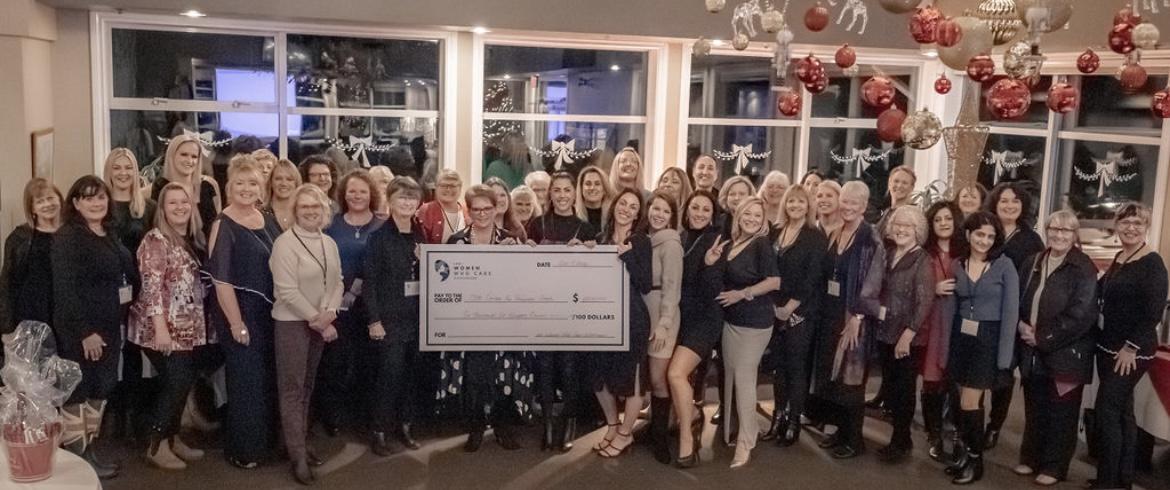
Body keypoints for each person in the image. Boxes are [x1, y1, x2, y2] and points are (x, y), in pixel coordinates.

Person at [53, 175, 140, 479]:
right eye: (88, 198)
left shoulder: (108, 233)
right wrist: (84, 332)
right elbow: (65, 290)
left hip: (109, 327)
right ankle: (79, 462)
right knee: (80, 392)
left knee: (101, 390)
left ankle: (90, 452)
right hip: (82, 331)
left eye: (101, 197)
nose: (97, 203)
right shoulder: (67, 237)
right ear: (76, 203)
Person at [439, 185, 534, 452]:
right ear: (468, 211)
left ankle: (503, 427)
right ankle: (476, 427)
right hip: (468, 322)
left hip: (503, 320)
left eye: (487, 209)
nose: (482, 214)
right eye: (476, 209)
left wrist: (516, 255)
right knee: (474, 376)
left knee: (503, 374)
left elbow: (523, 282)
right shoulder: (456, 241)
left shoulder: (510, 239)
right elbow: (442, 282)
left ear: (496, 209)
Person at [207, 156, 284, 469]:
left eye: (253, 182)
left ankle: (265, 445)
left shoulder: (265, 217)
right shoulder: (223, 225)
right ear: (229, 187)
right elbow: (221, 280)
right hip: (240, 314)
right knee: (246, 384)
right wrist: (237, 323)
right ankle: (243, 451)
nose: (246, 188)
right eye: (240, 183)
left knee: (265, 380)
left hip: (269, 313)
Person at [127, 182, 208, 470]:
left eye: (184, 202)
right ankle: (156, 445)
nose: (179, 207)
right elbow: (151, 287)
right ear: (162, 208)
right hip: (161, 329)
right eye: (172, 203)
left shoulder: (188, 238)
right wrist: (161, 329)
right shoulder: (156, 240)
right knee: (175, 384)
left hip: (187, 328)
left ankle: (172, 439)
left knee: (182, 382)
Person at [1014, 210, 1097, 486]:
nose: (1059, 235)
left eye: (1067, 231)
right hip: (1033, 350)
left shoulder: (1084, 267)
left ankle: (1054, 466)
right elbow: (1019, 299)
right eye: (1055, 229)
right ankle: (1031, 458)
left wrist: (1043, 337)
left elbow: (1081, 315)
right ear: (1047, 231)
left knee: (1061, 413)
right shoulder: (1033, 261)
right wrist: (1021, 325)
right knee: (1035, 407)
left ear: (1075, 236)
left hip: (1067, 355)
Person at [1092, 203, 1168, 490]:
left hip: (1131, 351)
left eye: (1137, 223)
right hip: (1108, 345)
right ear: (1116, 224)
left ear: (1146, 226)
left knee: (1107, 411)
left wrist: (1131, 347)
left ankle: (1107, 482)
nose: (1131, 228)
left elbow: (1153, 312)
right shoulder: (1120, 256)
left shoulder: (1153, 263)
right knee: (1123, 414)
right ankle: (1121, 479)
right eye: (1125, 222)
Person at [270, 184, 343, 485]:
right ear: (295, 211)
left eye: (316, 206)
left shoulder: (328, 242)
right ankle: (297, 455)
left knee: (308, 386)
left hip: (320, 321)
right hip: (292, 322)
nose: (311, 211)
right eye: (304, 207)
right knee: (292, 389)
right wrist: (318, 320)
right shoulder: (285, 244)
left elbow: (337, 281)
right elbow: (286, 291)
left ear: (324, 210)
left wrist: (330, 312)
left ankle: (298, 441)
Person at [941, 211, 1019, 485]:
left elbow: (1011, 313)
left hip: (989, 338)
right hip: (962, 337)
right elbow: (950, 306)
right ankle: (964, 452)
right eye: (979, 234)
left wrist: (1005, 358)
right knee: (960, 400)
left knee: (969, 402)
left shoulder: (1004, 266)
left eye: (990, 236)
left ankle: (976, 459)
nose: (984, 240)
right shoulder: (958, 264)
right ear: (968, 235)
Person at [703, 196, 780, 468]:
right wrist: (711, 261)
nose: (752, 219)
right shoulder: (732, 243)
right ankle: (736, 433)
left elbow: (774, 281)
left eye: (758, 216)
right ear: (739, 215)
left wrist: (742, 294)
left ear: (763, 221)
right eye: (748, 214)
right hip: (730, 321)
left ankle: (747, 441)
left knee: (744, 380)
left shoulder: (761, 244)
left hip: (755, 323)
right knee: (731, 377)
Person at [525, 172, 596, 452]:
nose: (563, 195)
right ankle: (547, 425)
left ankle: (568, 424)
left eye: (567, 190)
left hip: (572, 308)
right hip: (542, 306)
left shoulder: (585, 228)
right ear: (550, 194)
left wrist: (590, 252)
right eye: (557, 190)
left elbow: (594, 273)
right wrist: (526, 249)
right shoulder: (537, 224)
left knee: (568, 368)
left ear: (574, 194)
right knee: (544, 367)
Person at [813, 181, 884, 460]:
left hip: (855, 317)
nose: (848, 206)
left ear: (864, 206)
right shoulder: (837, 232)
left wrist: (858, 316)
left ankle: (855, 440)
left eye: (855, 202)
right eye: (845, 201)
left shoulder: (870, 239)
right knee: (834, 378)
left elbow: (873, 282)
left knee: (851, 381)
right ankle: (840, 432)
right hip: (831, 314)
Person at [316, 170, 385, 436]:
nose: (357, 196)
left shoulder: (383, 224)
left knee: (369, 363)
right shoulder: (331, 225)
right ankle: (332, 415)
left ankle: (364, 416)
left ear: (372, 195)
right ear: (344, 194)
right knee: (335, 362)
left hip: (371, 307)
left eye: (363, 191)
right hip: (337, 305)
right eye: (352, 191)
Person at [761, 185, 827, 447]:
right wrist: (775, 305)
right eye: (791, 201)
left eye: (801, 202)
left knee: (796, 368)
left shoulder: (815, 236)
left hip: (801, 311)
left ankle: (794, 421)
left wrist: (791, 306)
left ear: (808, 206)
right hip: (774, 308)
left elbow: (813, 277)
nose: (796, 206)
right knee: (779, 368)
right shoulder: (775, 232)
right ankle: (777, 418)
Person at [364, 177, 426, 456]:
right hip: (389, 320)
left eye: (412, 198)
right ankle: (379, 431)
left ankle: (406, 426)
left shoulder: (420, 234)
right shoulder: (378, 237)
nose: (407, 203)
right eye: (402, 197)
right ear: (390, 201)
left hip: (418, 318)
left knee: (412, 376)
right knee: (389, 376)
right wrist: (374, 320)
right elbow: (370, 282)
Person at [590, 188, 653, 459]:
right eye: (623, 203)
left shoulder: (640, 241)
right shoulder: (599, 238)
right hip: (602, 318)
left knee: (633, 382)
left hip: (633, 318)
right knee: (599, 378)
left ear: (638, 214)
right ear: (614, 205)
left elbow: (646, 283)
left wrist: (626, 256)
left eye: (633, 206)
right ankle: (613, 425)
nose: (626, 209)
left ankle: (626, 434)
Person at [983, 182, 1043, 450]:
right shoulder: (984, 229)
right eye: (1004, 200)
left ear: (1023, 205)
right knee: (976, 367)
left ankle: (994, 426)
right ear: (995, 203)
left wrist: (1022, 318)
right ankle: (965, 417)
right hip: (983, 312)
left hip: (1014, 315)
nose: (1009, 205)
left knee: (1003, 372)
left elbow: (1034, 282)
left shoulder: (1032, 239)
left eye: (1015, 201)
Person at [103, 148, 158, 440]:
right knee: (111, 351)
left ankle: (136, 417)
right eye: (117, 168)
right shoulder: (101, 205)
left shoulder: (146, 207)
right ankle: (112, 415)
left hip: (139, 288)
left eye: (128, 168)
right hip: (107, 290)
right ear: (109, 171)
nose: (123, 173)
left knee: (134, 352)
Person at [872, 205, 933, 463]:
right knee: (890, 386)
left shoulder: (922, 260)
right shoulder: (888, 252)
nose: (901, 230)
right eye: (897, 225)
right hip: (885, 331)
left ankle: (901, 441)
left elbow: (925, 301)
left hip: (907, 337)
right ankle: (898, 438)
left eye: (907, 226)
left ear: (917, 231)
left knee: (903, 391)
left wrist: (908, 334)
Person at [666, 190, 722, 467]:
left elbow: (713, 289)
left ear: (713, 215)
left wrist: (710, 264)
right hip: (680, 318)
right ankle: (692, 416)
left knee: (676, 373)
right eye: (695, 207)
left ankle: (687, 437)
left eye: (706, 210)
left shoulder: (716, 240)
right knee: (675, 376)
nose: (700, 213)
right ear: (687, 210)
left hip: (704, 320)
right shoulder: (681, 236)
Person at [921, 201, 965, 462]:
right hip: (933, 323)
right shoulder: (925, 253)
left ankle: (959, 434)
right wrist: (933, 289)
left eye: (948, 218)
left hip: (959, 324)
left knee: (957, 383)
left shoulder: (968, 250)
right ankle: (934, 435)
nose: (944, 223)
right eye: (938, 219)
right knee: (932, 382)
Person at [643, 191, 684, 464]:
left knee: (658, 378)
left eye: (665, 211)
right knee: (648, 377)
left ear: (672, 217)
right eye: (655, 209)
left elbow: (672, 288)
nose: (658, 214)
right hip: (643, 313)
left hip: (661, 316)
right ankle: (652, 429)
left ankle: (661, 437)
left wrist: (664, 324)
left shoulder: (671, 244)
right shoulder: (645, 241)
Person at [0, 179, 62, 340]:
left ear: (59, 199)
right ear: (32, 208)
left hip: (64, 316)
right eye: (40, 201)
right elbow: (7, 284)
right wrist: (6, 328)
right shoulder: (19, 238)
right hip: (30, 316)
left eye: (50, 198)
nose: (47, 204)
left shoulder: (72, 234)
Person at [151, 133, 221, 238]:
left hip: (209, 250)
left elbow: (218, 226)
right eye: (184, 154)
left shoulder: (207, 186)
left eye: (194, 156)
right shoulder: (161, 186)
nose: (189, 161)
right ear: (172, 155)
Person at [416, 169, 464, 244]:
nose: (448, 189)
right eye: (443, 185)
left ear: (460, 188)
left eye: (453, 186)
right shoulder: (426, 210)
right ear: (435, 187)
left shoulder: (468, 211)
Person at [485, 177, 527, 241]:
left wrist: (528, 247)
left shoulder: (518, 229)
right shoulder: (478, 231)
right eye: (495, 196)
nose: (500, 200)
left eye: (503, 195)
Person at [265, 159, 303, 231]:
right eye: (278, 179)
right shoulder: (261, 214)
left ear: (296, 183)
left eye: (289, 179)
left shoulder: (305, 212)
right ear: (271, 182)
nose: (284, 183)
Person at [576, 165, 613, 232]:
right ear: (581, 188)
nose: (592, 188)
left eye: (597, 184)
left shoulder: (612, 216)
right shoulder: (573, 214)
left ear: (604, 189)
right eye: (588, 184)